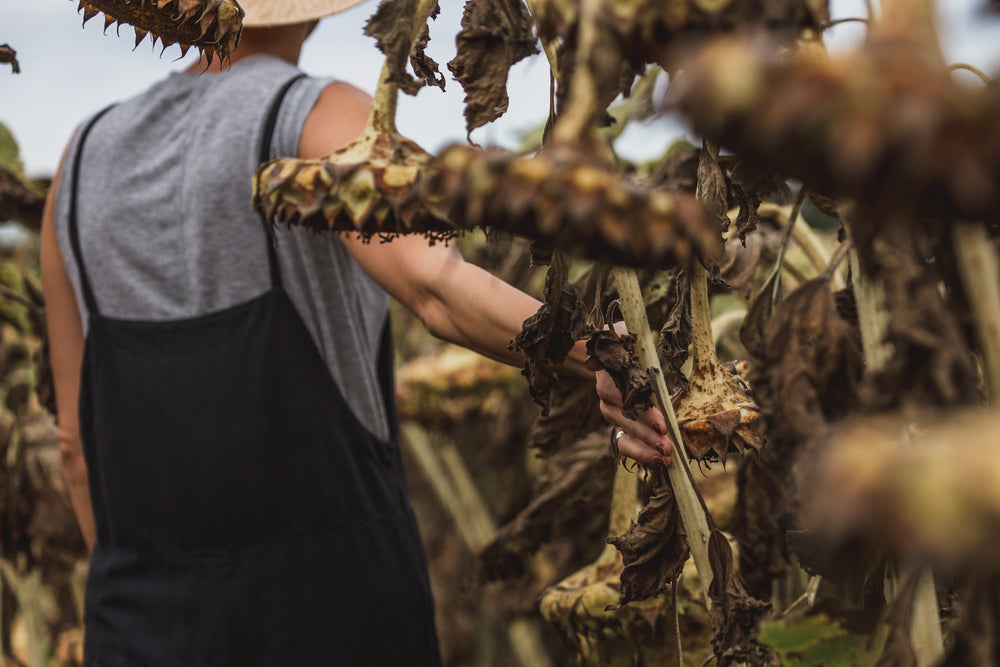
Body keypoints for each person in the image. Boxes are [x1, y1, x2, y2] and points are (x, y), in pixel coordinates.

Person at [40, 1, 674, 664]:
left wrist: (147, 597)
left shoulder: (79, 159)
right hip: (331, 616)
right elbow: (435, 286)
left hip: (138, 626)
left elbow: (74, 447)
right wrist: (601, 355)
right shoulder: (314, 114)